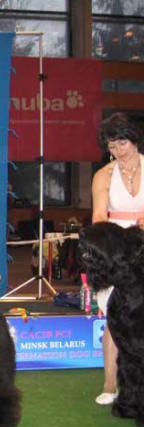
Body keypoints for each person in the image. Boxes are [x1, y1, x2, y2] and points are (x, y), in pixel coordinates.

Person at [91, 112, 144, 405]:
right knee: (116, 321)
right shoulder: (103, 176)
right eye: (111, 146)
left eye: (122, 143)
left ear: (134, 139)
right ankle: (111, 384)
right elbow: (99, 219)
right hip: (118, 258)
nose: (117, 151)